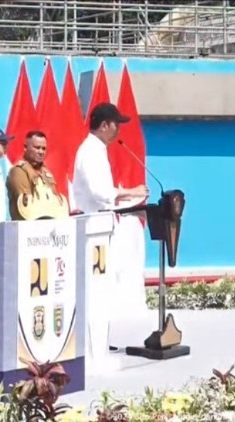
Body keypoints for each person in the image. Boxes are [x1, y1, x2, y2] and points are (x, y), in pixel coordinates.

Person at [72, 102, 149, 352]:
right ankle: (92, 341)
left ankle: (99, 338)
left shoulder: (97, 150)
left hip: (101, 224)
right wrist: (128, 193)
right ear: (104, 125)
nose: (118, 131)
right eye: (116, 125)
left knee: (101, 286)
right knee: (94, 286)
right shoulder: (91, 151)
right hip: (92, 225)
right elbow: (99, 192)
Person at [6, 130, 68, 221]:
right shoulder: (18, 171)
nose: (41, 152)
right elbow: (27, 205)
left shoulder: (46, 172)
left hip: (49, 225)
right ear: (25, 147)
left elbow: (57, 202)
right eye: (37, 147)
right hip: (26, 228)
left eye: (44, 148)